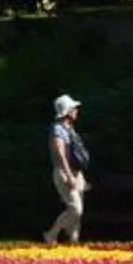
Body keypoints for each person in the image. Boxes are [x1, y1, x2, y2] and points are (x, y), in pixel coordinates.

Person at [45, 96, 89, 243]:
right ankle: (52, 234)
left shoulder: (69, 128)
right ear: (67, 111)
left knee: (77, 213)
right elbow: (61, 154)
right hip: (65, 172)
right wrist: (69, 176)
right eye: (74, 108)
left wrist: (80, 177)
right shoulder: (58, 129)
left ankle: (74, 241)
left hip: (77, 173)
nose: (76, 111)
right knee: (76, 209)